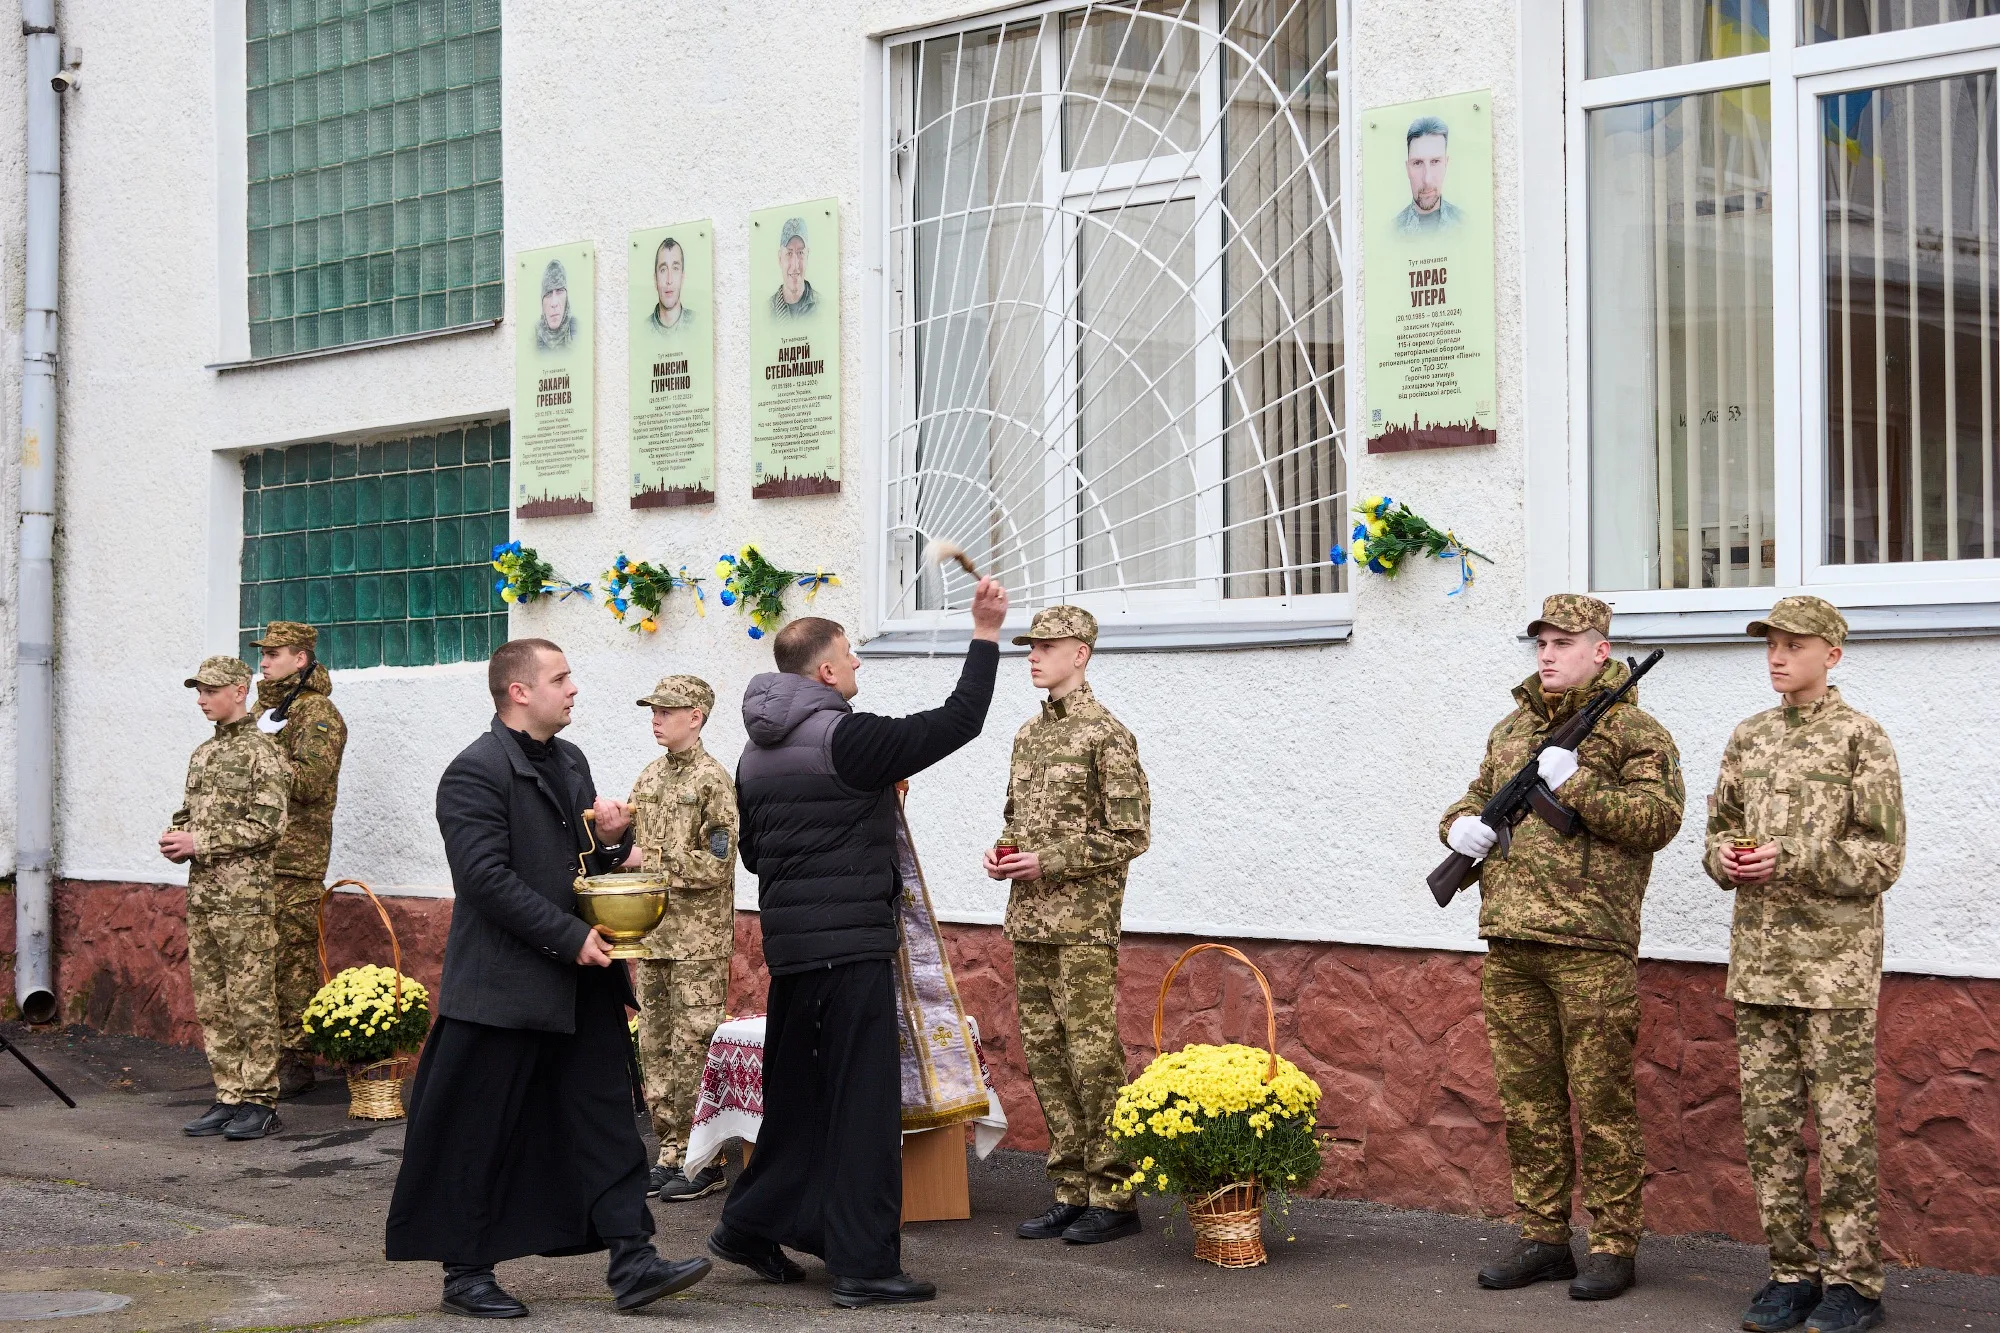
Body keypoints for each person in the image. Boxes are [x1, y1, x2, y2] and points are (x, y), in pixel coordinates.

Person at [384, 638, 711, 1318]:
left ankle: (634, 1258)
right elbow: (485, 879)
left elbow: (573, 862)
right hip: (503, 989)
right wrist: (569, 936)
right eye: (560, 677)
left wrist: (615, 841)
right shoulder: (473, 772)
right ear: (519, 691)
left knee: (606, 1120)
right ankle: (466, 1272)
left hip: (579, 985)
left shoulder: (569, 760)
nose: (573, 688)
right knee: (481, 1130)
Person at [709, 580, 1009, 1309]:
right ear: (823, 671)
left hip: (796, 952)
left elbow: (756, 857)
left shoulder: (752, 755)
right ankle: (867, 1265)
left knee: (802, 1102)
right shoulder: (850, 737)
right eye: (849, 656)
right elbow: (958, 719)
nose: (857, 668)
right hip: (852, 954)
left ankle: (750, 1222)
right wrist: (985, 633)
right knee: (865, 1112)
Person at [1440, 594, 1683, 1301]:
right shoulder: (1511, 728)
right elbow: (1469, 800)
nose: (1546, 653)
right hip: (1511, 938)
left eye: (1563, 642)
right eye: (1540, 641)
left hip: (1590, 943)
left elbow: (1657, 820)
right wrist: (1458, 830)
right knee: (1528, 1101)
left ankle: (1612, 1243)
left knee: (1602, 1099)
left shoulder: (1636, 731)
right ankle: (1543, 1234)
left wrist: (1573, 780)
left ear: (1601, 651)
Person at [1705, 597, 1903, 1333]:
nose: (1777, 656)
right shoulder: (1748, 737)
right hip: (1759, 967)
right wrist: (1723, 858)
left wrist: (1797, 855)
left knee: (1845, 1132)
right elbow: (1718, 831)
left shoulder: (1862, 739)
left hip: (1834, 972)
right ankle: (1790, 1273)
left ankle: (1855, 1282)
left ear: (1833, 654)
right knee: (1769, 1129)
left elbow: (1884, 857)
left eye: (1794, 644)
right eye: (1772, 644)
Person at [986, 605, 1150, 1246]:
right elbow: (1018, 817)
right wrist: (1003, 853)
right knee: (1047, 1055)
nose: (1032, 655)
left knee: (1092, 1055)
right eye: (1031, 646)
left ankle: (1114, 1193)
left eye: (1046, 646)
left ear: (1080, 653)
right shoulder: (1029, 736)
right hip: (1030, 918)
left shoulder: (1107, 735)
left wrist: (1050, 859)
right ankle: (1070, 1187)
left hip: (1082, 923)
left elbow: (1132, 833)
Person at [162, 656, 290, 1142]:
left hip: (246, 902)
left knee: (251, 998)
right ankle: (229, 1093)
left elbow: (268, 825)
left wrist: (202, 842)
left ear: (239, 690)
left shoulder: (264, 752)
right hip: (205, 898)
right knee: (213, 1000)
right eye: (198, 690)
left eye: (210, 690)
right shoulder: (203, 754)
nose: (201, 699)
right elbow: (189, 810)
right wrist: (177, 835)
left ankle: (261, 1100)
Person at [621, 674, 738, 1202]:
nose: (656, 718)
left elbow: (718, 861)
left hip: (698, 941)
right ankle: (670, 1151)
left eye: (667, 710)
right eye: (653, 709)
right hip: (653, 936)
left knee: (695, 1046)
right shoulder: (649, 779)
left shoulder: (713, 780)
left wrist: (655, 859)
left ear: (697, 716)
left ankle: (705, 1158)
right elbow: (626, 849)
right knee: (656, 1045)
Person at [251, 621, 348, 1101]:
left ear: (301, 659)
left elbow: (309, 784)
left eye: (274, 654)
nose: (264, 662)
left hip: (294, 858)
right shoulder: (267, 709)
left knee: (291, 961)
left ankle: (295, 1060)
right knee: (258, 962)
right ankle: (261, 1058)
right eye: (262, 654)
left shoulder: (317, 714)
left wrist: (263, 746)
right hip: (253, 856)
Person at [1395, 115, 1465, 234]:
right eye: (1417, 163)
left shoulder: (1465, 224)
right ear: (1407, 169)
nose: (1427, 180)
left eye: (1435, 162)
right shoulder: (1391, 231)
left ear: (1446, 165)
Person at [768, 217, 818, 319]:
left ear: (807, 256)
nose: (795, 266)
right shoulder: (766, 312)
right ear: (779, 258)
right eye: (789, 253)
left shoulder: (823, 308)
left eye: (800, 253)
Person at [649, 236, 696, 332]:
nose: (669, 280)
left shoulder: (698, 324)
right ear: (655, 280)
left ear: (682, 277)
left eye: (675, 269)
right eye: (663, 270)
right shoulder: (641, 329)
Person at [536, 259, 577, 352]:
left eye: (559, 291)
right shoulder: (533, 336)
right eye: (548, 293)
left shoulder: (577, 330)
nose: (554, 303)